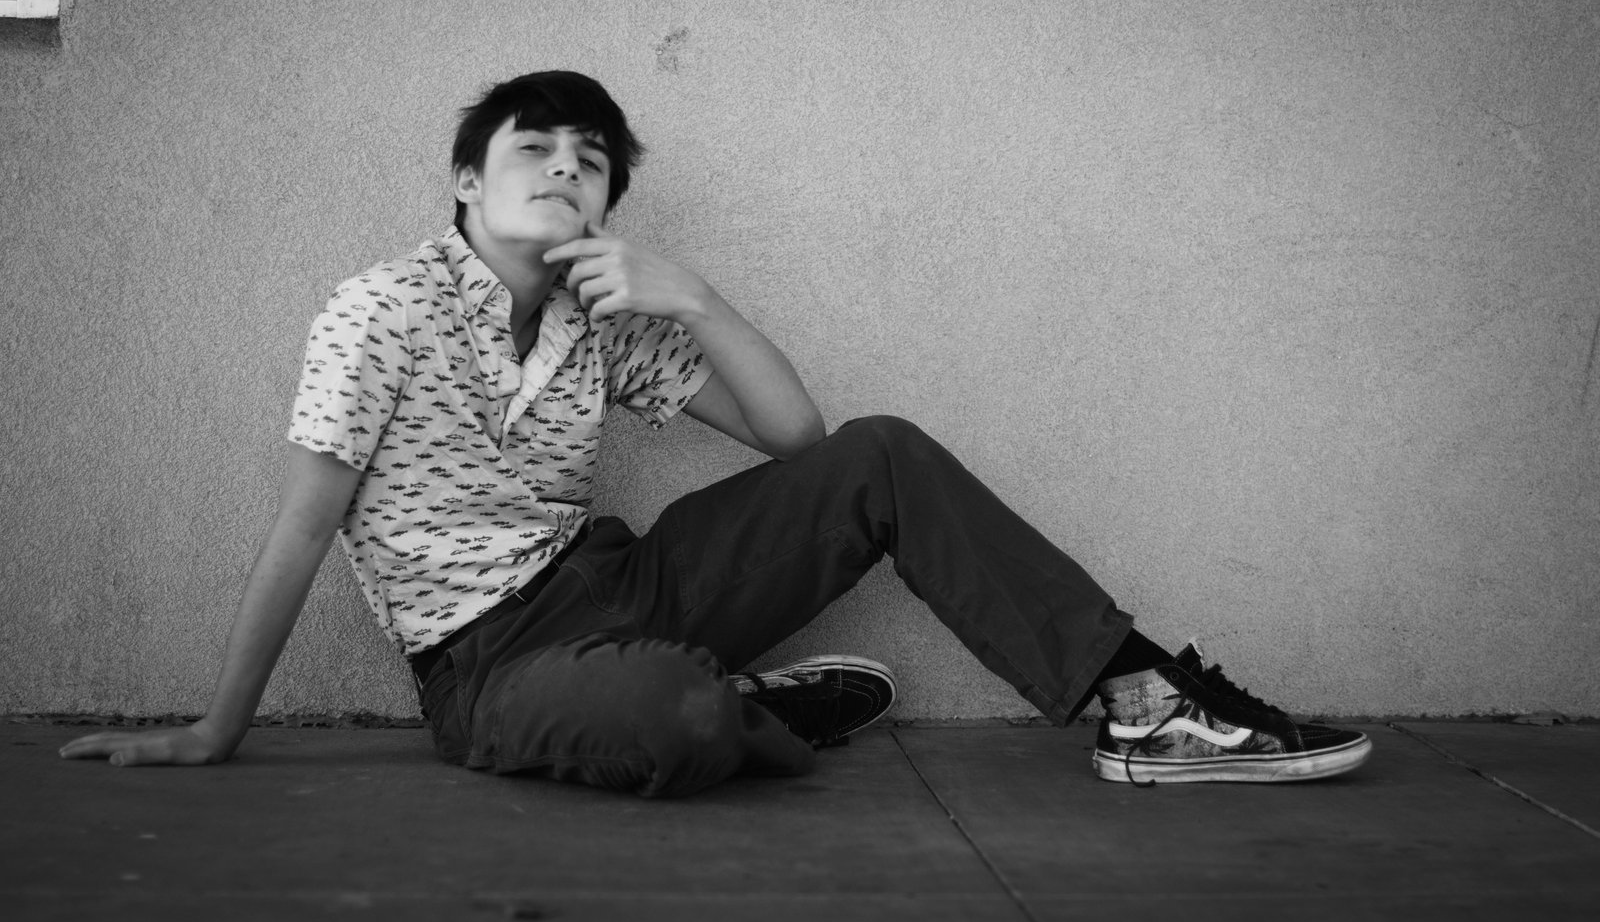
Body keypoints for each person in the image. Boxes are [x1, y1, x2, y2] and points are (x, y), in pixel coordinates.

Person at [61, 70, 1371, 795]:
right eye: (535, 147)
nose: (566, 167)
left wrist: (697, 295)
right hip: (483, 664)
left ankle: (1144, 699)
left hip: (620, 580)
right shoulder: (377, 311)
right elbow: (301, 529)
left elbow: (803, 446)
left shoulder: (604, 312)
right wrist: (211, 731)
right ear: (467, 178)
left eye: (592, 158)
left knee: (884, 447)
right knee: (678, 718)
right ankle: (732, 702)